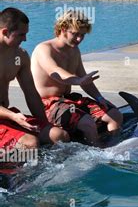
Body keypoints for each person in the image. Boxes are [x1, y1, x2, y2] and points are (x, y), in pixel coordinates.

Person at [31, 10, 123, 147]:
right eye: (75, 34)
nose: (79, 39)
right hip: (47, 104)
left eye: (82, 35)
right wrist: (77, 81)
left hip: (68, 99)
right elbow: (55, 71)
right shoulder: (44, 49)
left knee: (115, 115)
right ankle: (99, 154)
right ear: (63, 29)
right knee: (87, 123)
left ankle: (115, 147)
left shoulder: (74, 50)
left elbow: (84, 80)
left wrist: (100, 98)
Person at [0, 7, 69, 153]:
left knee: (59, 135)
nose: (25, 39)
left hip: (8, 116)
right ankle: (16, 176)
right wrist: (13, 116)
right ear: (5, 32)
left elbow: (31, 94)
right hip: (9, 116)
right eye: (21, 35)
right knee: (30, 144)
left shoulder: (20, 56)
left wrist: (44, 124)